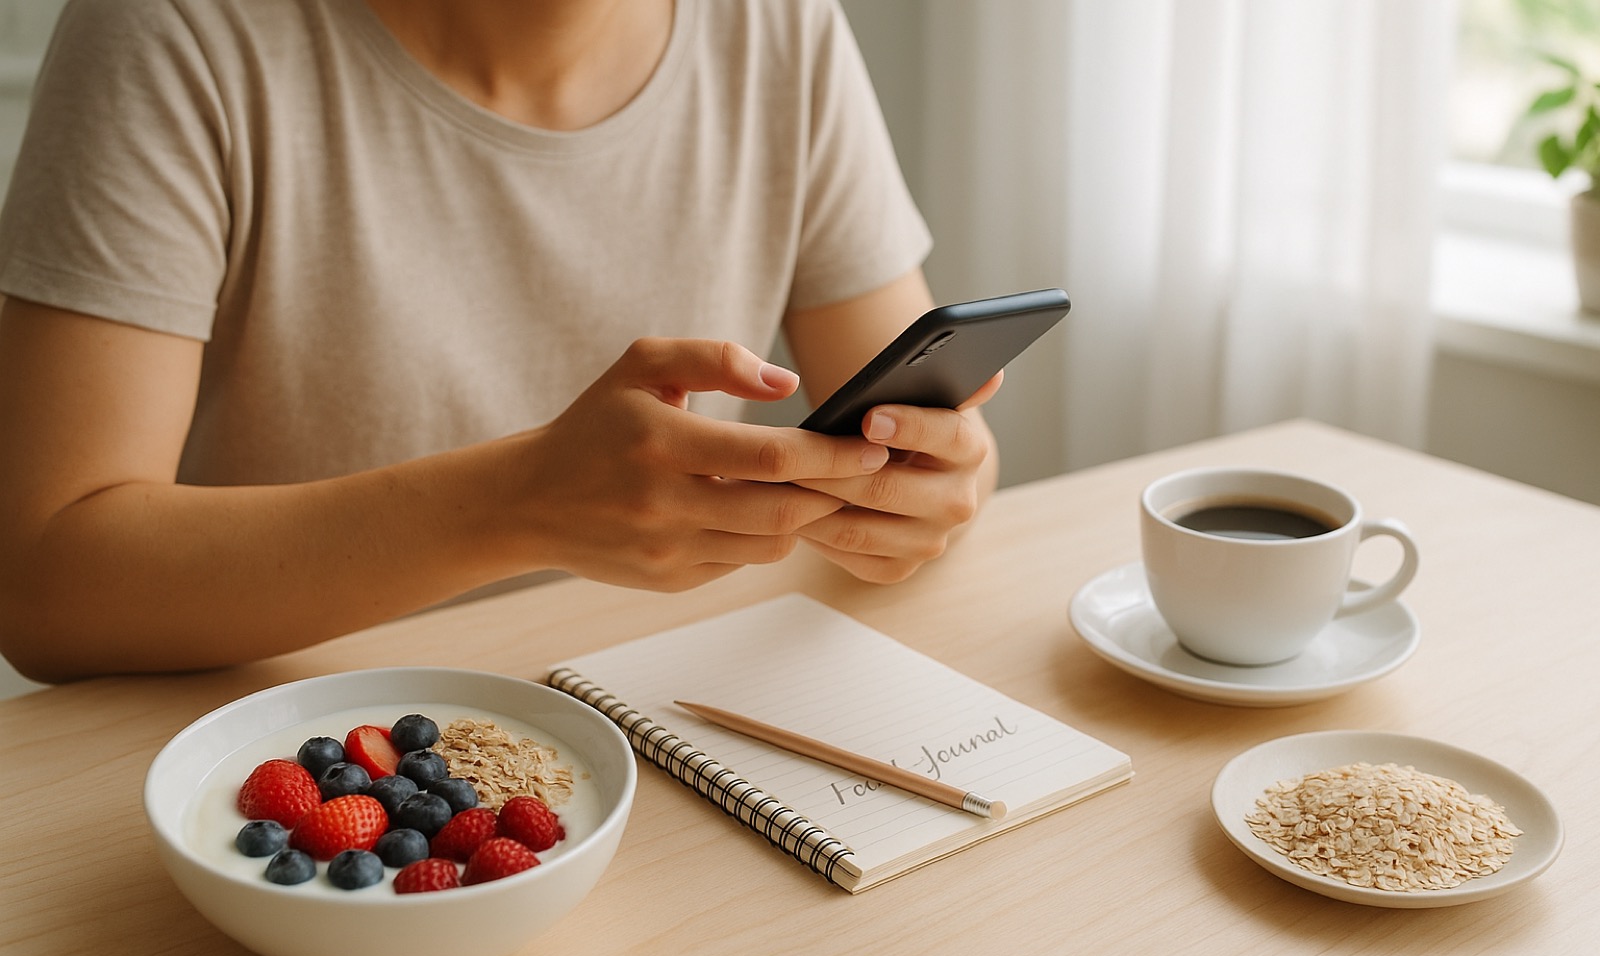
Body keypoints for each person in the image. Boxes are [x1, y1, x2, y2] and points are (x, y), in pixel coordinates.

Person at [0, 0, 1000, 683]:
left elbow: (912, 422)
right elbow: (44, 583)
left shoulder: (777, 25)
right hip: (300, 752)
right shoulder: (177, 31)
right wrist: (518, 505)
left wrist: (933, 482)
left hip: (652, 716)